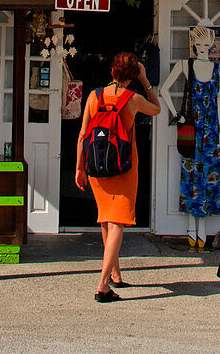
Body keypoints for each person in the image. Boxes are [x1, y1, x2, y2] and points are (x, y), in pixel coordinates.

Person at [75, 51, 161, 302]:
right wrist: (146, 81)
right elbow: (156, 108)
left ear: (112, 72)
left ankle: (115, 274)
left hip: (96, 166)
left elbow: (82, 135)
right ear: (132, 76)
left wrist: (80, 168)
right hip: (124, 167)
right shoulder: (133, 99)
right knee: (118, 222)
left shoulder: (94, 96)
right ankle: (102, 285)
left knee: (106, 220)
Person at [159, 25, 220, 250]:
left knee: (210, 175)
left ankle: (204, 226)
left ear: (212, 46)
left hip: (211, 130)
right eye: (197, 45)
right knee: (191, 174)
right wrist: (176, 115)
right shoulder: (185, 65)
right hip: (193, 127)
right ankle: (192, 225)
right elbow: (164, 90)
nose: (202, 49)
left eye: (206, 45)